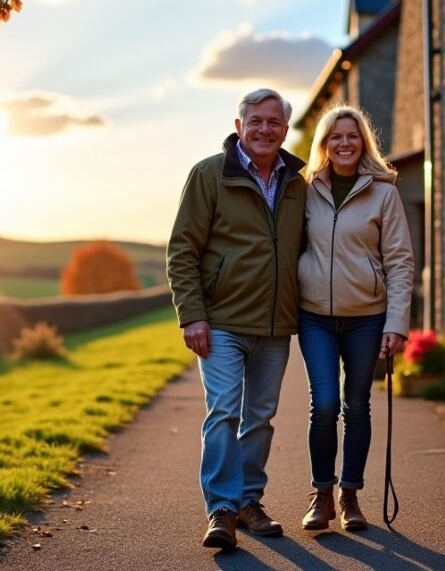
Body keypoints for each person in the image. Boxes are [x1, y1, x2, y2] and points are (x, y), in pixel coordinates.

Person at [166, 87, 307, 549]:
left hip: (274, 324)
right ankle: (222, 510)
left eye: (274, 122)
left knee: (260, 417)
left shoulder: (298, 182)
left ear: (285, 130)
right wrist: (192, 316)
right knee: (224, 412)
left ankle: (249, 502)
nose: (265, 129)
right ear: (238, 126)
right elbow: (183, 249)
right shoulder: (209, 174)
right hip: (221, 322)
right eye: (256, 121)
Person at [296, 104, 414, 531]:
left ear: (363, 141)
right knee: (324, 405)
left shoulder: (384, 192)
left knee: (357, 406)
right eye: (335, 137)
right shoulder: (304, 188)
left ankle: (349, 496)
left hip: (368, 318)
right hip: (315, 318)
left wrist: (397, 322)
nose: (344, 143)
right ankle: (321, 494)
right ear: (324, 144)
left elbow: (400, 261)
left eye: (352, 136)